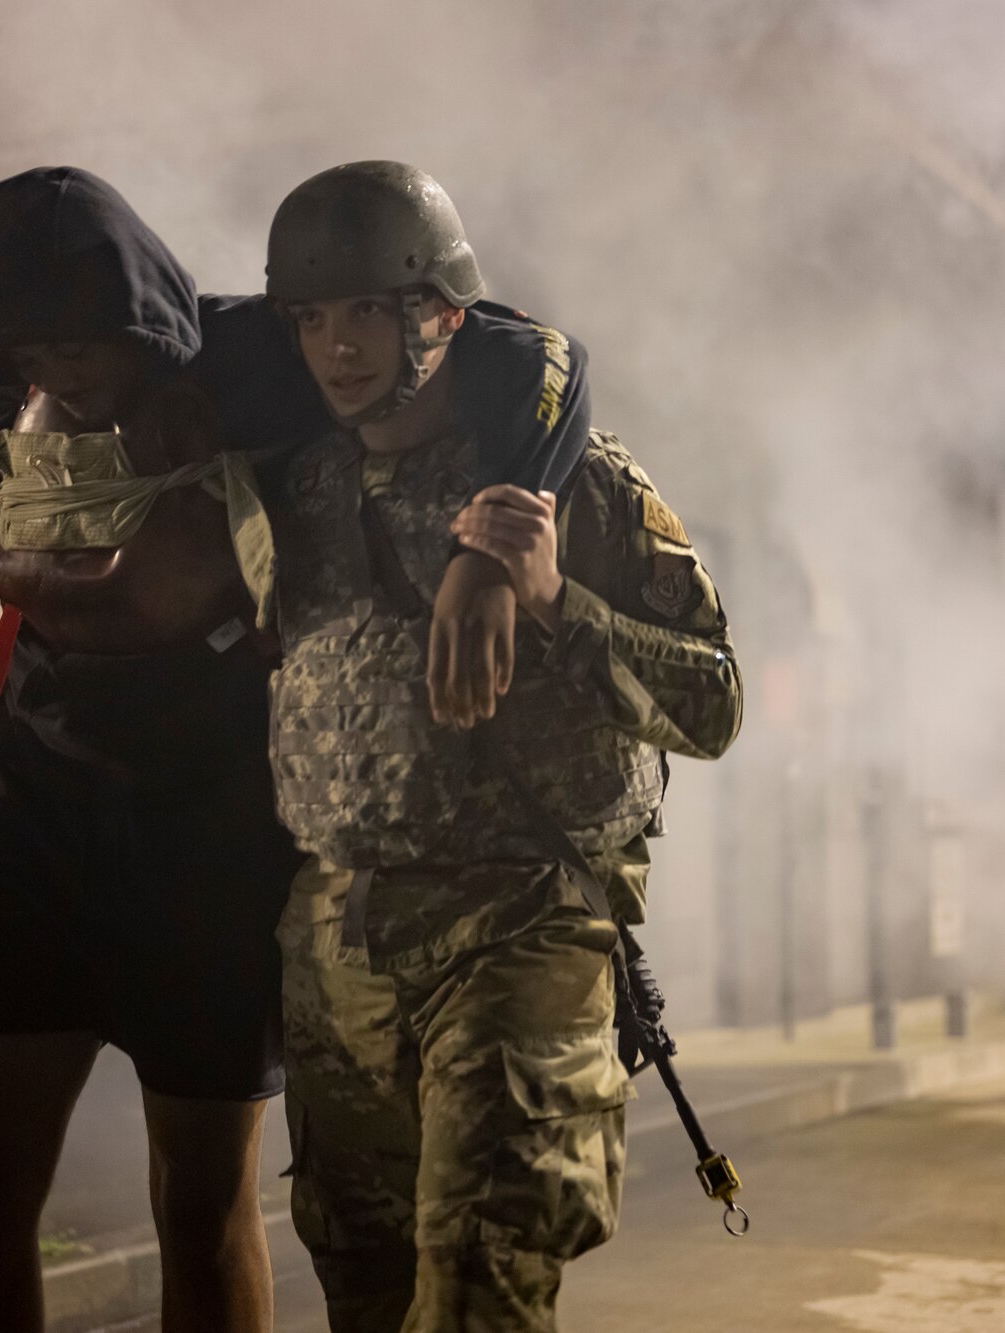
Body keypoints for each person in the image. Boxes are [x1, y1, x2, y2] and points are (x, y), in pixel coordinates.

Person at [0, 167, 594, 1333]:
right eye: (31, 352)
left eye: (78, 347)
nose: (58, 374)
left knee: (200, 1199)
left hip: (211, 828)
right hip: (34, 816)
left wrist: (488, 552)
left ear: (137, 319)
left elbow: (540, 355)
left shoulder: (247, 356)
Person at [259, 160, 743, 1332]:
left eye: (367, 310)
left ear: (438, 314)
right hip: (339, 956)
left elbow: (712, 702)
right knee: (365, 1296)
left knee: (478, 1291)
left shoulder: (576, 481)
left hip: (521, 929)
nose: (337, 347)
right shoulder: (299, 489)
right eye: (311, 317)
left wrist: (557, 602)